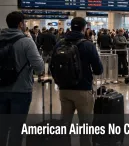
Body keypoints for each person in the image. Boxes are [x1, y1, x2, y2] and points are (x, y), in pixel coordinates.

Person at [52, 17, 103, 146]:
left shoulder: (60, 43)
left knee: (65, 126)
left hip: (64, 89)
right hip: (83, 89)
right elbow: (98, 70)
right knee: (85, 126)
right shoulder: (87, 44)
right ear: (84, 28)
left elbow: (53, 65)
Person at [0, 11, 44, 146]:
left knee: (2, 127)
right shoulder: (26, 42)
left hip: (1, 89)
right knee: (17, 128)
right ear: (20, 24)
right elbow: (39, 67)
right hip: (21, 90)